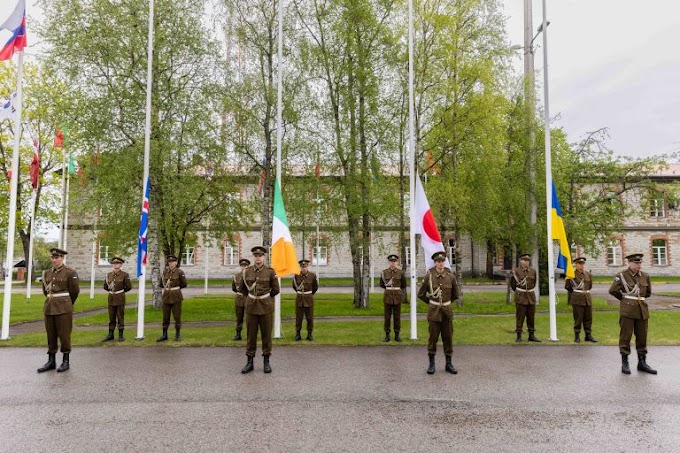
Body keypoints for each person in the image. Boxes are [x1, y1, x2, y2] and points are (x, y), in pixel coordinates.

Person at [608, 253, 656, 375]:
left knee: (642, 337)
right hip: (627, 311)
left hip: (642, 311)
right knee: (625, 336)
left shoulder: (645, 276)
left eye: (639, 263)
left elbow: (648, 293)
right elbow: (613, 290)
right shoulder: (621, 276)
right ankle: (625, 362)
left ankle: (642, 362)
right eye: (635, 263)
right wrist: (625, 300)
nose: (638, 265)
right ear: (629, 263)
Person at [238, 246, 280, 374]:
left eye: (260, 255)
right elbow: (242, 289)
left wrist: (265, 298)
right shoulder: (246, 272)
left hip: (266, 307)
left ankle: (266, 362)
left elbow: (276, 289)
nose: (258, 257)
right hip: (251, 307)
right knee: (251, 335)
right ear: (253, 257)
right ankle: (249, 362)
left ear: (264, 257)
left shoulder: (270, 272)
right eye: (256, 255)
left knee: (266, 335)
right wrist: (252, 299)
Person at [37, 248, 80, 373]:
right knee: (51, 334)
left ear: (62, 258)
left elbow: (75, 291)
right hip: (50, 307)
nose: (54, 260)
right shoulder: (46, 273)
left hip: (64, 308)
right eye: (53, 257)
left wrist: (67, 303)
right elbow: (45, 291)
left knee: (64, 334)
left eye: (57, 257)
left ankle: (65, 361)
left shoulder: (70, 272)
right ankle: (51, 361)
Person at [417, 251, 460, 375]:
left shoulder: (451, 277)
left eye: (442, 261)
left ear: (444, 262)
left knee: (448, 338)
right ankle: (431, 364)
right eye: (438, 262)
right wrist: (432, 303)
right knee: (433, 339)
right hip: (434, 313)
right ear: (435, 263)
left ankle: (449, 364)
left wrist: (445, 303)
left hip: (446, 312)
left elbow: (455, 295)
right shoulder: (428, 277)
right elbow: (421, 294)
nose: (440, 264)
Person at [509, 253, 540, 342]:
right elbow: (513, 285)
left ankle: (531, 335)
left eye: (528, 261)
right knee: (520, 317)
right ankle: (519, 335)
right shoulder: (516, 271)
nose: (526, 262)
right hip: (521, 297)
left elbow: (534, 283)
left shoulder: (533, 271)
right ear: (521, 261)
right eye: (525, 260)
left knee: (531, 317)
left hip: (530, 296)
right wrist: (519, 292)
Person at [565, 257, 597, 343]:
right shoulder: (571, 274)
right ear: (576, 264)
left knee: (588, 318)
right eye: (580, 264)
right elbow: (567, 286)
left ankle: (588, 335)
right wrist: (576, 293)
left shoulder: (588, 274)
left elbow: (589, 286)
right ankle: (577, 335)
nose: (581, 265)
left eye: (583, 264)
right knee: (578, 318)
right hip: (577, 300)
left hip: (587, 298)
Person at [157, 255, 187, 342]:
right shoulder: (165, 272)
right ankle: (164, 334)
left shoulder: (180, 272)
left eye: (172, 262)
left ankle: (177, 334)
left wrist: (175, 289)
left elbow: (184, 284)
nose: (171, 263)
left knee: (177, 316)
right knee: (165, 317)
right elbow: (161, 284)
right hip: (166, 296)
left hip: (176, 297)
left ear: (176, 263)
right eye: (169, 262)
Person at [102, 257, 133, 342]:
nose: (116, 265)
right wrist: (111, 291)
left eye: (118, 263)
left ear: (121, 265)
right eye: (114, 263)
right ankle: (110, 334)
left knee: (120, 316)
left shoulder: (125, 275)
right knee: (111, 317)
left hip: (120, 298)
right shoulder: (108, 275)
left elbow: (128, 287)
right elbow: (105, 286)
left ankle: (120, 335)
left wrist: (120, 292)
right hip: (111, 298)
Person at [380, 254, 406, 342]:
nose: (393, 263)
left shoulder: (401, 273)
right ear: (389, 262)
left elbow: (403, 285)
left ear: (397, 262)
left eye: (394, 261)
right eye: (391, 261)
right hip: (387, 297)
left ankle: (397, 335)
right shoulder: (384, 272)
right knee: (387, 317)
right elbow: (381, 284)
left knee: (397, 317)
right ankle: (387, 335)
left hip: (397, 298)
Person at [292, 259, 319, 341]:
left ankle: (309, 334)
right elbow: (294, 286)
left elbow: (315, 287)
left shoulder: (312, 276)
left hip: (309, 300)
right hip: (299, 300)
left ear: (308, 266)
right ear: (300, 267)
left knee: (309, 318)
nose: (304, 268)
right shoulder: (296, 275)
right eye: (302, 267)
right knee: (298, 318)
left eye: (305, 266)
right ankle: (298, 334)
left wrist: (309, 295)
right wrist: (300, 293)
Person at [231, 258, 250, 341]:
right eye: (242, 266)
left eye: (245, 266)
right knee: (239, 317)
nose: (244, 267)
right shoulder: (236, 276)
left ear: (248, 266)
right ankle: (238, 334)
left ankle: (250, 334)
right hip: (239, 299)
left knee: (250, 318)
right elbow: (234, 288)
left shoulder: (251, 276)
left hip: (249, 298)